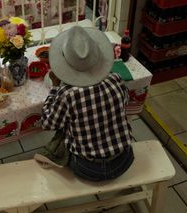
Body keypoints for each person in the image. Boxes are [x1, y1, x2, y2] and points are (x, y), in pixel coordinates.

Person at [35, 26, 134, 182]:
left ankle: (55, 158)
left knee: (63, 129)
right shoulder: (116, 79)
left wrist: (55, 87)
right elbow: (124, 102)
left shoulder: (67, 93)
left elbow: (48, 123)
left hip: (87, 169)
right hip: (124, 159)